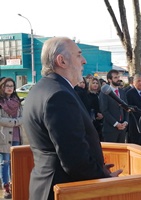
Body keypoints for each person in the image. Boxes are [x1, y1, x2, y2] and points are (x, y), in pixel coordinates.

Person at [22, 37, 122, 200]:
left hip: (48, 185)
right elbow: (73, 157)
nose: (84, 61)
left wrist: (99, 168)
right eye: (78, 55)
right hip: (63, 189)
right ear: (61, 61)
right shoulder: (59, 95)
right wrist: (101, 178)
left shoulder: (43, 88)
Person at [0, 78, 23, 199]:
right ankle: (6, 188)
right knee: (5, 162)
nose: (9, 88)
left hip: (17, 135)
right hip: (4, 136)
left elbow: (22, 117)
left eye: (12, 86)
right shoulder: (0, 101)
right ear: (2, 87)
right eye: (7, 86)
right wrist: (15, 122)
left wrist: (16, 122)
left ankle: (15, 184)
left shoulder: (17, 101)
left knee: (15, 162)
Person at [99, 69, 128, 143]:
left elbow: (126, 108)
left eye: (118, 77)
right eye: (115, 77)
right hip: (110, 129)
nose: (118, 79)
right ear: (109, 80)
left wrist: (126, 122)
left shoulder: (122, 92)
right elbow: (104, 110)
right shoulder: (105, 92)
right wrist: (116, 124)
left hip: (122, 128)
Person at [126, 74, 141, 147]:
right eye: (138, 81)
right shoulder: (129, 93)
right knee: (135, 146)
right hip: (135, 125)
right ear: (133, 82)